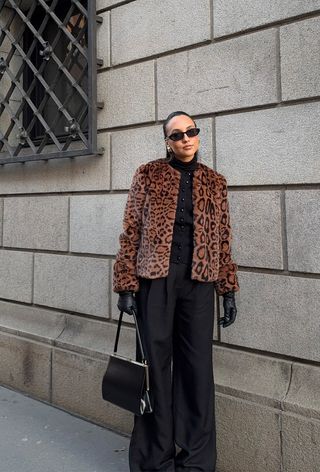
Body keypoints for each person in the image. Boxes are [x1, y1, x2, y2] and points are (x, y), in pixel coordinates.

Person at [113, 111, 240, 472]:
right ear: (167, 141)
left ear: (199, 136)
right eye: (177, 134)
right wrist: (125, 284)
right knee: (154, 370)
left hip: (199, 285)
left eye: (192, 132)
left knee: (197, 371)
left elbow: (223, 239)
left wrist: (227, 289)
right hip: (155, 284)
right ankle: (155, 460)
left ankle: (197, 461)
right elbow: (130, 230)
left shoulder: (216, 183)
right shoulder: (148, 175)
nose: (186, 139)